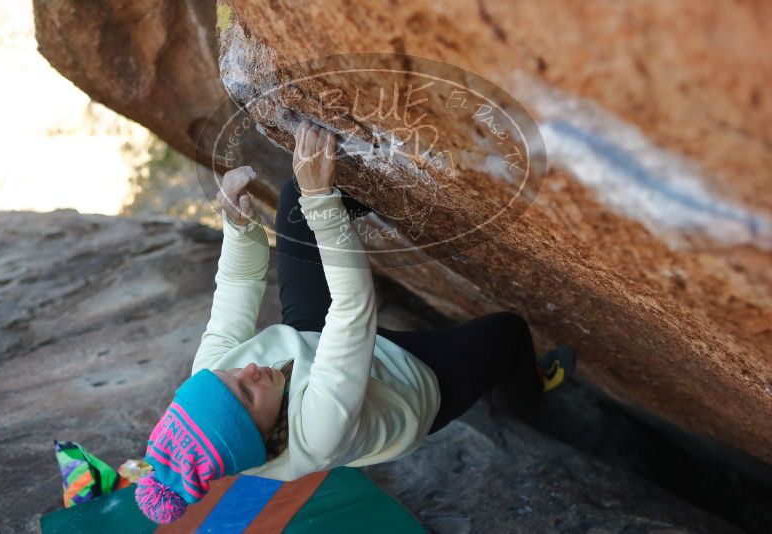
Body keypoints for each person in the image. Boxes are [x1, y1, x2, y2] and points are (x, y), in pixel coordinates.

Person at [135, 119, 576, 524]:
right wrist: (322, 203)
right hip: (414, 384)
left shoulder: (211, 383)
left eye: (231, 376)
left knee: (292, 203)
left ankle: (401, 183)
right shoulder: (317, 434)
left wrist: (237, 225)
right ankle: (526, 396)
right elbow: (353, 308)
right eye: (248, 394)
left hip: (314, 339)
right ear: (262, 436)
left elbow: (235, 286)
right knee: (507, 332)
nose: (246, 370)